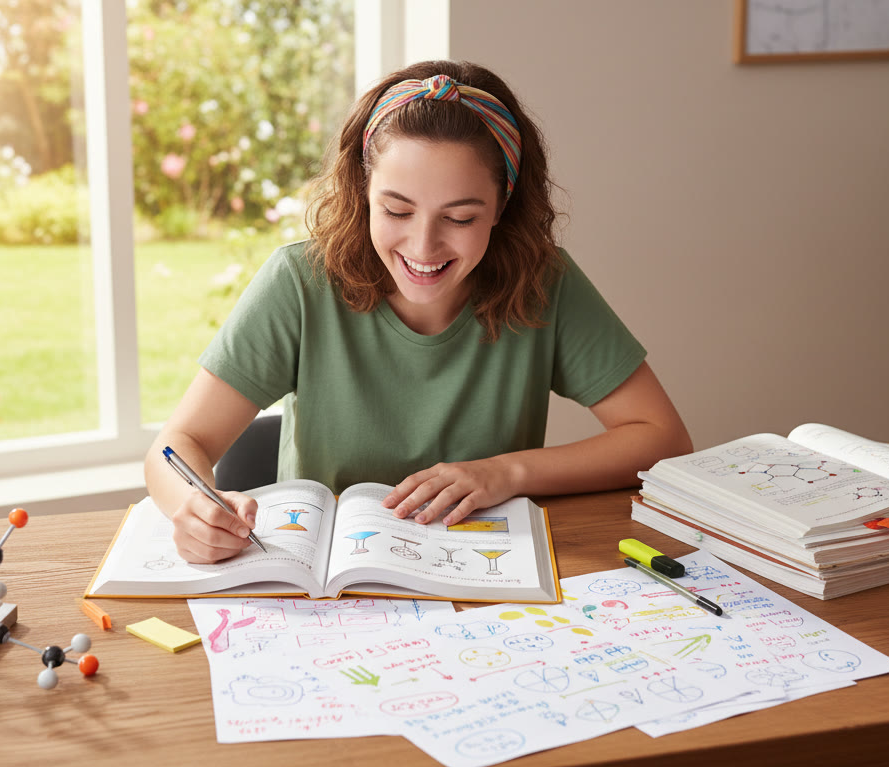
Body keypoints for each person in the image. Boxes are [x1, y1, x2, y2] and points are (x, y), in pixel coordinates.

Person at [144, 60, 692, 564]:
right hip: (327, 591)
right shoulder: (300, 283)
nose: (423, 246)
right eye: (397, 209)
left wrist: (507, 472)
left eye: (459, 217)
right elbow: (174, 447)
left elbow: (661, 436)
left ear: (502, 204)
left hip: (481, 576)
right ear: (363, 190)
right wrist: (190, 506)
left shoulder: (543, 283)